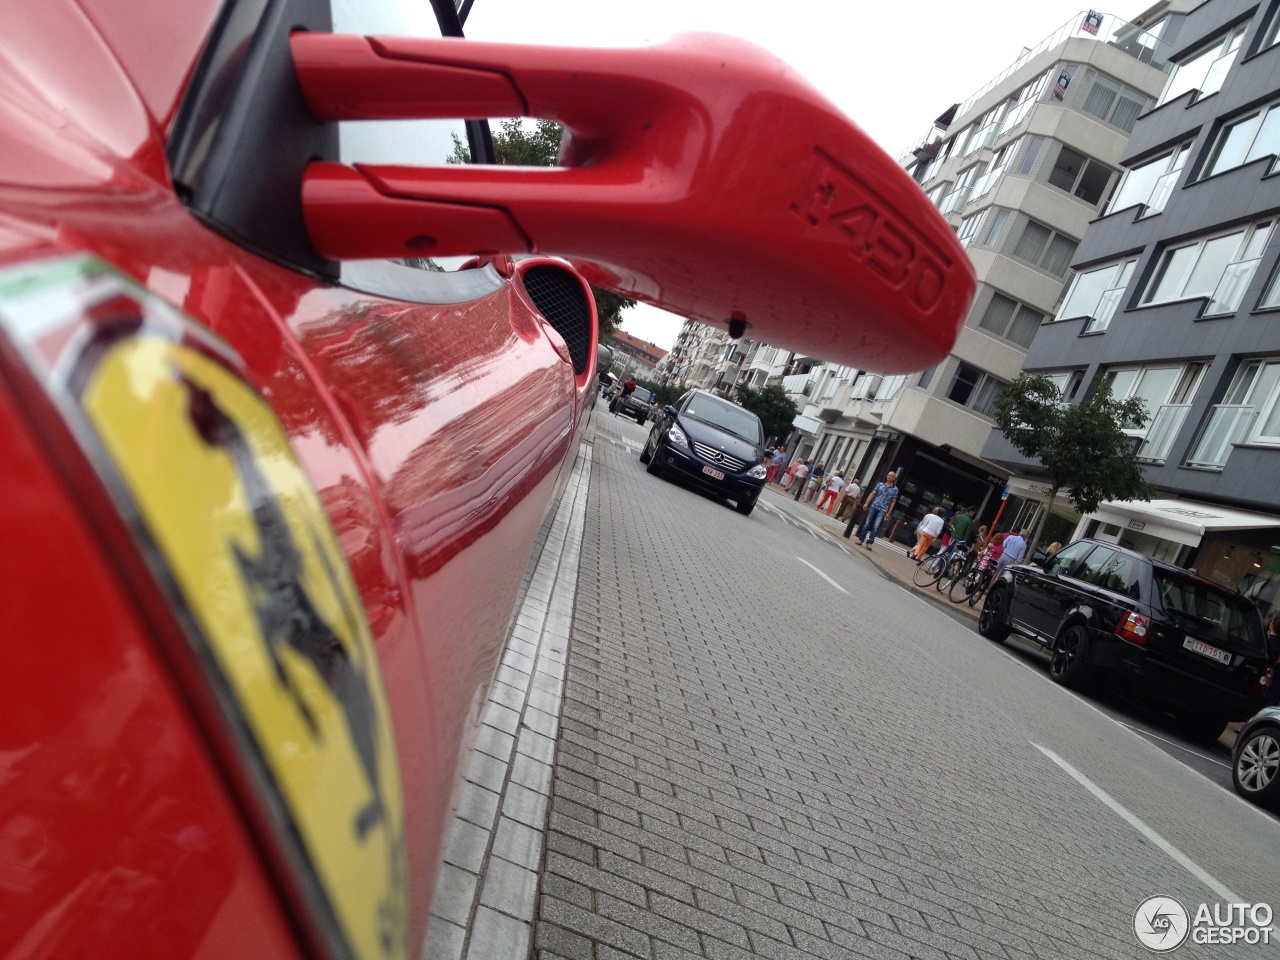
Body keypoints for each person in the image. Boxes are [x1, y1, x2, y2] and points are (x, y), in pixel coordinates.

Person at [855, 470, 899, 549]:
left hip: (883, 509)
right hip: (874, 506)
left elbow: (893, 502)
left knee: (876, 526)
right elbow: (872, 494)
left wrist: (889, 512)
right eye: (888, 475)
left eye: (891, 476)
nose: (889, 476)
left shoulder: (895, 489)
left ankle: (870, 543)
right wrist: (866, 503)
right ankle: (861, 539)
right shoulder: (880, 485)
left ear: (894, 479)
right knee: (867, 523)